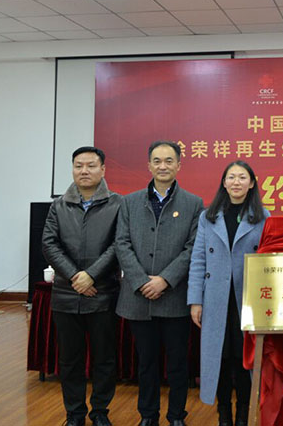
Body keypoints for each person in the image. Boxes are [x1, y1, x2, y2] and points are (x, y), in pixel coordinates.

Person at [115, 140, 203, 426]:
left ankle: (176, 416)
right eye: (157, 160)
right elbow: (121, 243)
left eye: (168, 161)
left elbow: (193, 248)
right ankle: (148, 415)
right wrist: (142, 281)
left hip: (174, 297)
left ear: (179, 165)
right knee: (146, 363)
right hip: (138, 298)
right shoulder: (129, 202)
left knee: (177, 364)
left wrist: (165, 280)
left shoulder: (193, 203)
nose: (162, 166)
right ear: (149, 165)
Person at [42, 146, 121, 426]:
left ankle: (100, 412)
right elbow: (49, 244)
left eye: (90, 165)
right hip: (66, 294)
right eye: (78, 166)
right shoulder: (59, 205)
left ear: (103, 169)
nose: (84, 171)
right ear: (73, 169)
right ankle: (74, 414)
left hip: (102, 293)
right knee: (69, 360)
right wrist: (77, 277)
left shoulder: (118, 204)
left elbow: (119, 245)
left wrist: (92, 276)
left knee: (104, 359)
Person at [187, 161, 269, 426]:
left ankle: (244, 414)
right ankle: (224, 414)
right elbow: (198, 259)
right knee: (219, 359)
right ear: (223, 183)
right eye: (231, 177)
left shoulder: (263, 216)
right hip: (215, 298)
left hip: (248, 299)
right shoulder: (209, 216)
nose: (236, 182)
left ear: (252, 183)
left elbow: (269, 259)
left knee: (244, 359)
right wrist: (195, 300)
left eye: (242, 177)